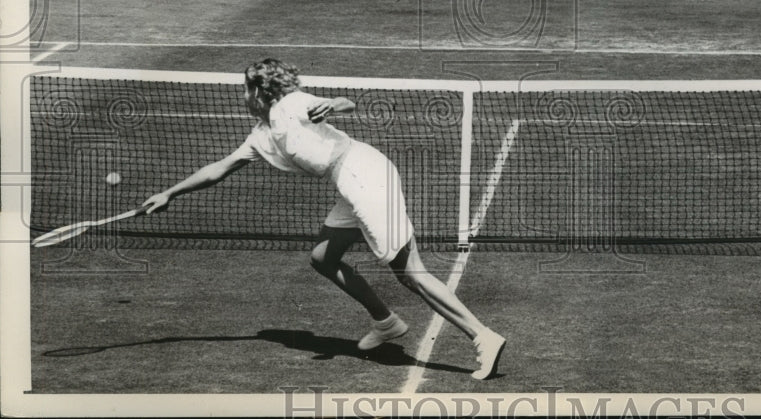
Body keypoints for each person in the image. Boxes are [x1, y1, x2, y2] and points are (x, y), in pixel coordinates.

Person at [140, 59, 506, 380]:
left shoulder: (291, 104)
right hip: (349, 182)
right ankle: (386, 322)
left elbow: (342, 103)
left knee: (411, 272)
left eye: (245, 90)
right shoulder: (261, 135)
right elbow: (219, 168)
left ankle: (482, 336)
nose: (243, 98)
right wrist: (170, 192)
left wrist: (330, 104)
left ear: (259, 92)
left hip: (364, 175)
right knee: (323, 258)